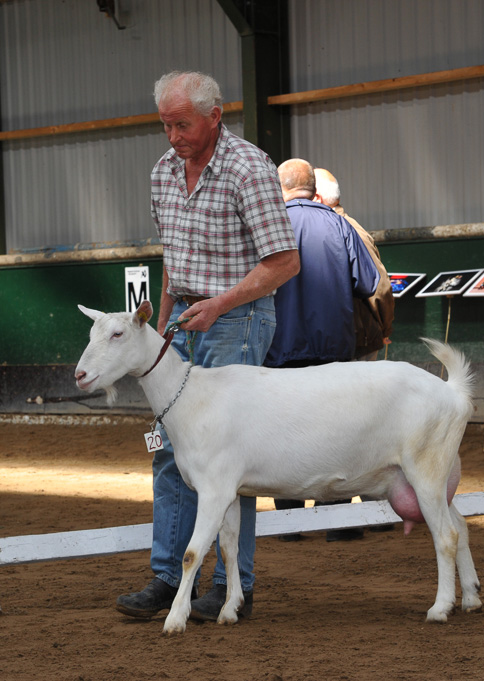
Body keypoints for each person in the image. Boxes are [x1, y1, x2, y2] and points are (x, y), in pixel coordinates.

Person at [115, 71, 299, 623]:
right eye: (166, 125)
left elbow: (283, 263)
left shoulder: (250, 168)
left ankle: (231, 584)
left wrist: (220, 303)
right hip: (184, 323)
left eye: (183, 124)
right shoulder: (163, 172)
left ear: (215, 116)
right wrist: (159, 329)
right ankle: (168, 578)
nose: (173, 136)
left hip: (236, 320)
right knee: (170, 451)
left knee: (225, 458)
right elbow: (173, 260)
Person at [267, 159, 379, 542]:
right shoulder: (338, 223)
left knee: (284, 431)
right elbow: (367, 282)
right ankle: (337, 523)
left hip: (280, 349)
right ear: (312, 187)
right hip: (333, 350)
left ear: (280, 187)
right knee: (335, 432)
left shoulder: (270, 224)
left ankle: (288, 522)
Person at [314, 168, 395, 361]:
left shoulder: (348, 230)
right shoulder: (339, 226)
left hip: (359, 339)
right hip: (355, 337)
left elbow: (379, 287)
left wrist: (384, 329)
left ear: (317, 198)